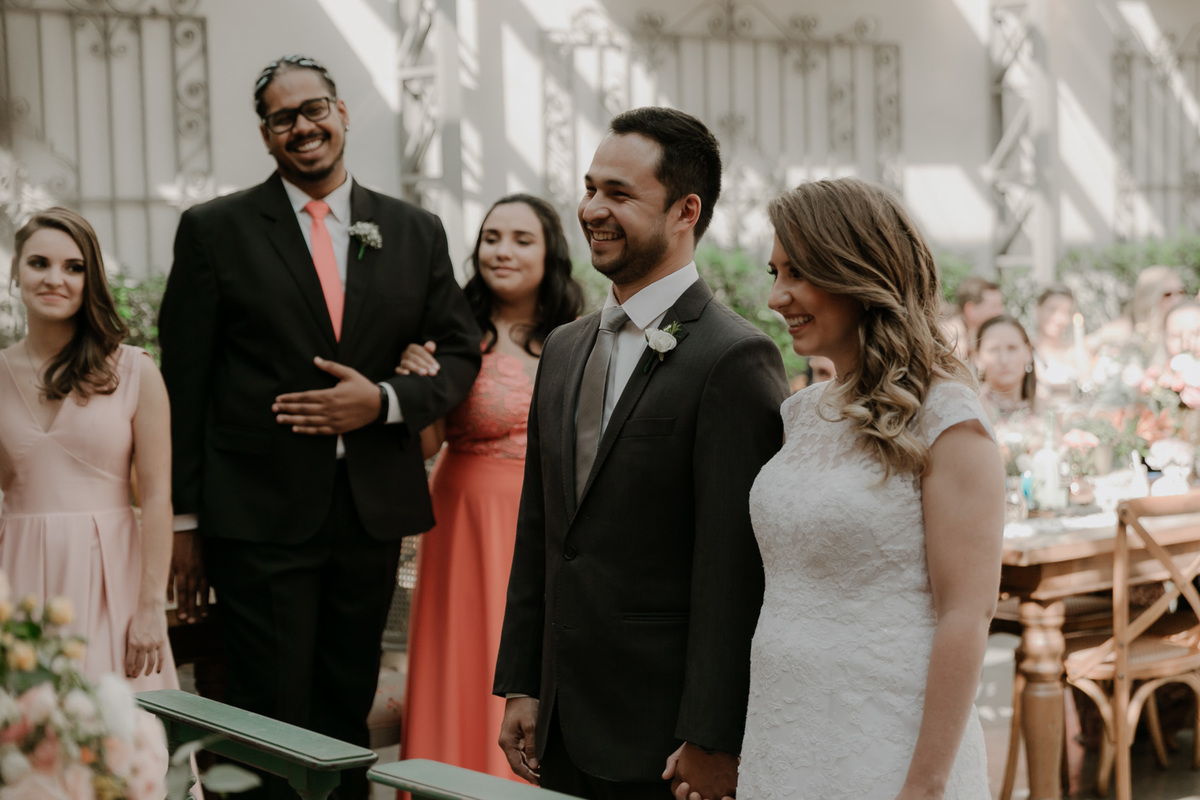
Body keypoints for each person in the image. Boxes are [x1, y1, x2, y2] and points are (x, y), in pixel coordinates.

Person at [157, 55, 480, 799]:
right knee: (266, 707)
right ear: (266, 135)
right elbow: (186, 380)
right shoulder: (215, 230)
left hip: (368, 512)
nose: (302, 126)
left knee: (345, 700)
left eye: (314, 109)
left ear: (341, 114)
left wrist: (385, 400)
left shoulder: (413, 229)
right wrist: (185, 519)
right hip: (257, 510)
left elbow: (461, 349)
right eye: (283, 117)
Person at [493, 107, 789, 800]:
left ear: (686, 211)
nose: (592, 209)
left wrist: (713, 734)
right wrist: (523, 683)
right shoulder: (563, 348)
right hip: (562, 718)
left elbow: (734, 571)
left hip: (664, 737)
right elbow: (543, 531)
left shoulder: (734, 358)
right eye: (590, 188)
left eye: (619, 194)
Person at [736, 177, 1003, 799]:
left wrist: (925, 786)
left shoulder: (947, 417)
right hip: (782, 734)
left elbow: (967, 614)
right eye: (775, 272)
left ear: (860, 272)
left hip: (889, 745)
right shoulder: (802, 413)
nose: (776, 297)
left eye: (798, 273)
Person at [399, 194, 583, 780]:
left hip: (548, 518)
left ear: (550, 253)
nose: (502, 251)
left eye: (522, 240)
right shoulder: (453, 332)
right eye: (491, 237)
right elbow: (426, 444)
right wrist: (414, 387)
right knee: (463, 653)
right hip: (463, 516)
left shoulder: (581, 336)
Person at [0, 207, 178, 690]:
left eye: (73, 267)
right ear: (16, 271)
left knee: (111, 721)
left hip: (110, 577)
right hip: (16, 578)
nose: (54, 279)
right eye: (39, 263)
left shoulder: (136, 371)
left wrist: (150, 607)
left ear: (90, 278)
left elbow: (156, 497)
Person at [976, 314, 1038, 424]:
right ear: (978, 358)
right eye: (993, 350)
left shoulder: (1046, 409)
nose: (1004, 360)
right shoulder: (973, 412)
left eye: (1012, 348)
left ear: (1028, 352)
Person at [1031, 286, 1078, 400]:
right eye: (1052, 309)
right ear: (1038, 310)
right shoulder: (1026, 350)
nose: (1058, 318)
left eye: (1065, 312)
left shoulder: (1076, 352)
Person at [944, 276, 1003, 361]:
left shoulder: (975, 334)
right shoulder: (951, 339)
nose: (1000, 312)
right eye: (994, 306)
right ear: (970, 310)